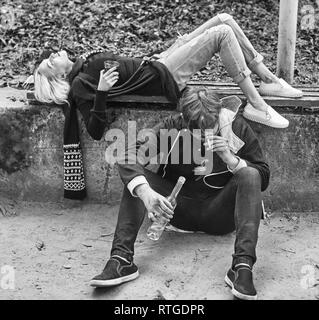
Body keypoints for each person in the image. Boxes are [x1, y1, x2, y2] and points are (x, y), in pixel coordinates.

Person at [89, 87, 270, 301]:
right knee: (137, 178)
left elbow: (262, 177)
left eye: (210, 127)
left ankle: (242, 267)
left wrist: (232, 160)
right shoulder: (171, 126)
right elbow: (128, 155)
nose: (204, 135)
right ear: (184, 119)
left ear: (219, 114)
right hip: (178, 211)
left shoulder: (235, 125)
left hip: (220, 214)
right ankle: (121, 260)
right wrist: (146, 193)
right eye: (196, 130)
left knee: (249, 173)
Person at [31, 13, 302, 132]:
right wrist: (101, 93)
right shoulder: (81, 84)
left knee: (223, 18)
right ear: (58, 78)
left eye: (50, 56)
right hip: (163, 76)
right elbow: (95, 131)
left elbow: (127, 68)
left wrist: (158, 55)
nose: (53, 55)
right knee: (222, 34)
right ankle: (256, 104)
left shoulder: (84, 65)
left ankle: (268, 80)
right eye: (50, 64)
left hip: (158, 62)